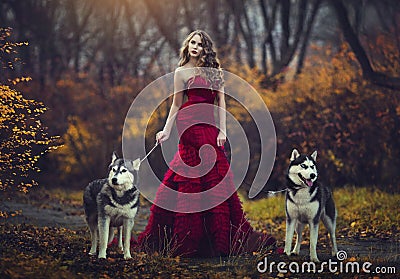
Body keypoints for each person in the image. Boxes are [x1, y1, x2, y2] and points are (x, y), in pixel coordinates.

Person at [137, 30, 275, 257]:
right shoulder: (181, 72)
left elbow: (221, 102)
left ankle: (215, 240)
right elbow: (176, 105)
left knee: (214, 174)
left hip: (209, 125)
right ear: (187, 45)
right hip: (187, 125)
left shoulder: (214, 72)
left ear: (205, 48)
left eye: (200, 44)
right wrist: (166, 130)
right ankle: (184, 239)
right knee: (187, 175)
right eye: (192, 42)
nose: (195, 47)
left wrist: (223, 130)